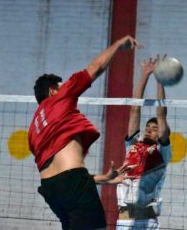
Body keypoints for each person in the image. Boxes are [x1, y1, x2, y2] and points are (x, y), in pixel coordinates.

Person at [28, 35, 140, 230]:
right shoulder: (60, 98)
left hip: (51, 190)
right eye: (60, 86)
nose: (64, 88)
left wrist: (102, 179)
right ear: (53, 91)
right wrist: (118, 44)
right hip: (72, 184)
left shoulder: (33, 129)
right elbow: (95, 67)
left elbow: (59, 171)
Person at [116, 55, 172, 229]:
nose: (149, 129)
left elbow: (161, 114)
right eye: (148, 126)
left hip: (147, 221)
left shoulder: (162, 151)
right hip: (125, 220)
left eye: (154, 128)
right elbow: (134, 109)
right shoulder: (133, 145)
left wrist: (159, 79)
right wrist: (145, 74)